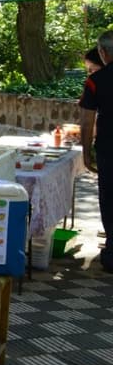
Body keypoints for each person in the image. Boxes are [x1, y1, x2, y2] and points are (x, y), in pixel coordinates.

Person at [79, 30, 113, 273]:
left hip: (108, 150)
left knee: (109, 199)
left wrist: (86, 153)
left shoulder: (96, 81)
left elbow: (87, 121)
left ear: (102, 53)